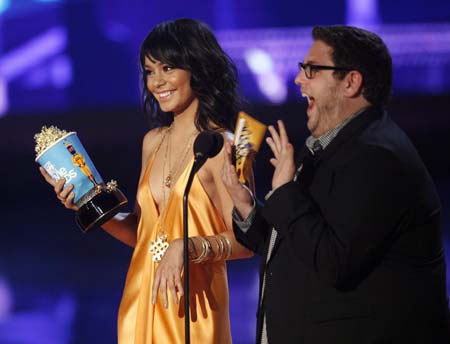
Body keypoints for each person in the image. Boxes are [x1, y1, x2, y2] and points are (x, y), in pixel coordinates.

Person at [222, 25, 450, 343]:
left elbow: (334, 262)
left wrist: (286, 191)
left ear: (351, 82)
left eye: (311, 69)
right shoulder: (328, 146)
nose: (298, 79)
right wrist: (245, 203)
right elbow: (293, 243)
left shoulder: (378, 158)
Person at [40, 18, 252, 344]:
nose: (157, 82)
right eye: (149, 71)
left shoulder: (227, 146)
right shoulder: (152, 141)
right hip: (141, 300)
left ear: (198, 67)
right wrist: (84, 201)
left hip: (193, 310)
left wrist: (188, 246)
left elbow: (247, 241)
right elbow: (144, 235)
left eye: (167, 68)